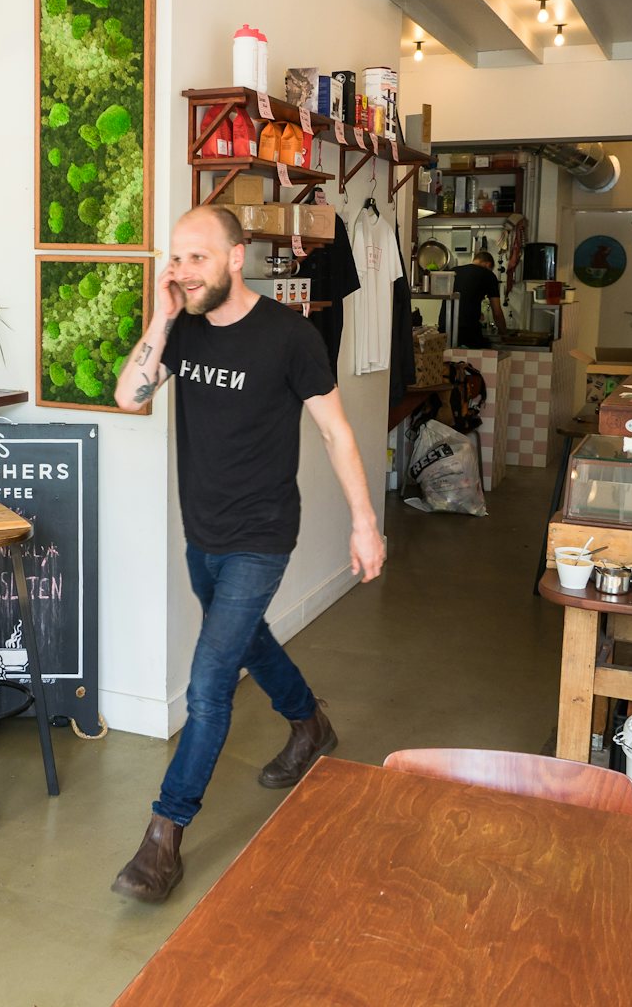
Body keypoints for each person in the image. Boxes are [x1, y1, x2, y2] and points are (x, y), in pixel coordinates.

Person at [108, 205, 386, 904]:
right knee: (250, 642)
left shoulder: (288, 338)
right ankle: (308, 722)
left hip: (262, 534)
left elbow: (337, 434)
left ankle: (162, 838)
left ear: (237, 257)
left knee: (208, 685)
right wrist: (164, 315)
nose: (183, 270)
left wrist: (364, 523)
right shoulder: (184, 329)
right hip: (202, 531)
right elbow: (128, 396)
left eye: (198, 257)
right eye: (176, 257)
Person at [443, 250, 506, 348]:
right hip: (468, 332)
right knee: (480, 357)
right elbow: (497, 313)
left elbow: (464, 298)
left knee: (449, 362)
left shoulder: (453, 271)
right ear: (487, 264)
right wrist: (503, 334)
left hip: (444, 327)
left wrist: (476, 311)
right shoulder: (489, 275)